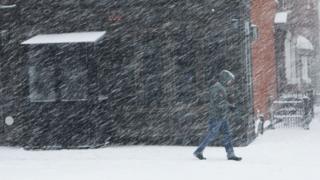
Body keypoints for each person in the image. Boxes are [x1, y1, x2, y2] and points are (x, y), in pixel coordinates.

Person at [193, 70, 242, 161]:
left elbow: (221, 102)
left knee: (226, 134)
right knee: (212, 134)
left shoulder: (221, 87)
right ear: (225, 78)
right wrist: (229, 106)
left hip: (222, 116)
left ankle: (230, 154)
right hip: (216, 116)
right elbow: (218, 102)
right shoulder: (217, 88)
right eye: (229, 80)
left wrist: (229, 106)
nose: (230, 82)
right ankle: (198, 151)